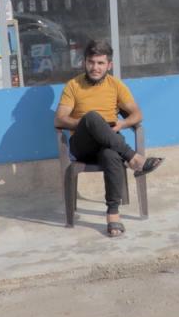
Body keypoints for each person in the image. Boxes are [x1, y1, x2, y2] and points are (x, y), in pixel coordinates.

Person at [55, 40, 164, 237]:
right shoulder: (73, 85)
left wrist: (121, 124)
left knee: (111, 155)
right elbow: (60, 119)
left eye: (100, 63)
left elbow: (137, 115)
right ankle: (135, 159)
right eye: (91, 62)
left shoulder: (116, 85)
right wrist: (86, 124)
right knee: (92, 117)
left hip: (110, 143)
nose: (95, 67)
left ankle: (113, 215)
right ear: (84, 62)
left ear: (109, 65)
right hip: (83, 146)